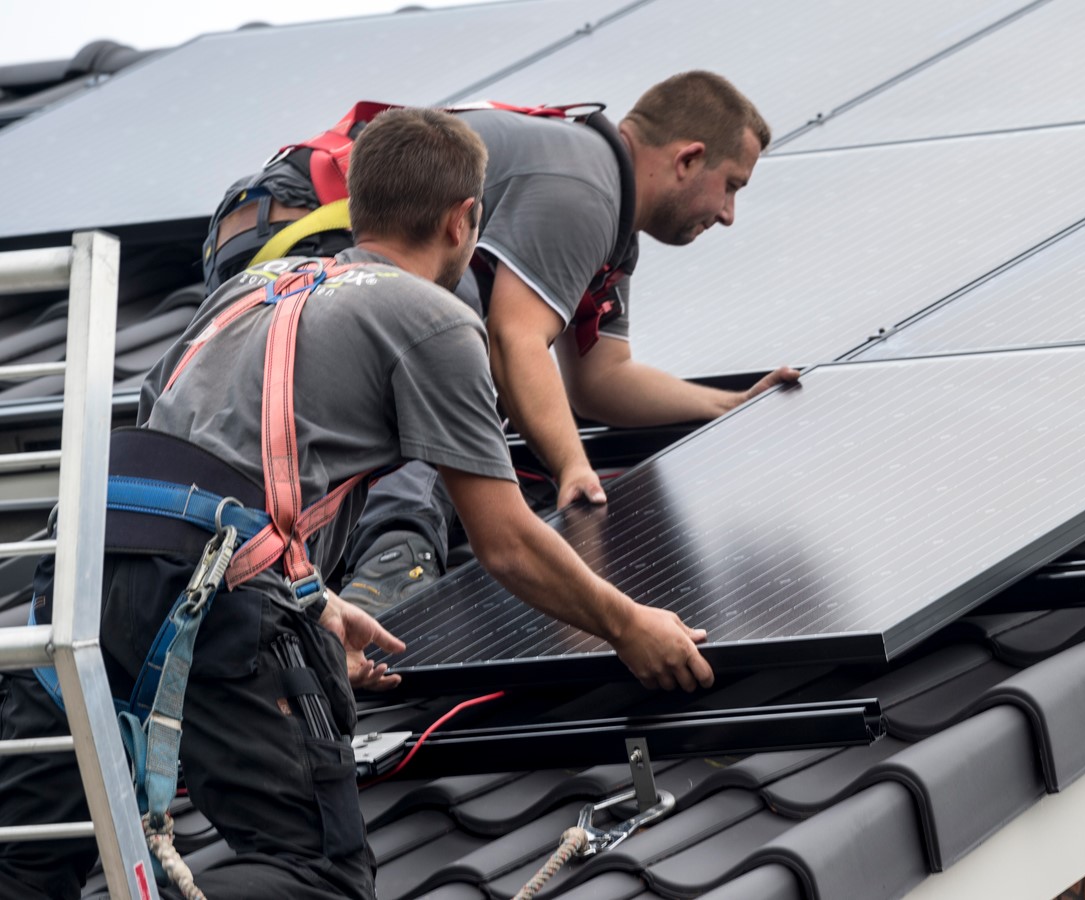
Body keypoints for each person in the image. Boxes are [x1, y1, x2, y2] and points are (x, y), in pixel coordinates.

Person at [0, 108, 711, 900]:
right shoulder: (436, 319)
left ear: (357, 208)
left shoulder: (243, 290)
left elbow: (189, 469)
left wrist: (317, 598)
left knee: (28, 866)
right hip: (204, 589)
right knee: (318, 878)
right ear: (464, 219)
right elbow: (505, 540)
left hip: (78, 575)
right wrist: (628, 624)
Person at [203, 71, 799, 613]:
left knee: (442, 321)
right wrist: (572, 470)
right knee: (445, 319)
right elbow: (516, 341)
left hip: (257, 240)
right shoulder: (587, 187)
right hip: (304, 225)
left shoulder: (608, 222)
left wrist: (730, 403)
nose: (727, 214)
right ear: (688, 159)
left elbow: (601, 380)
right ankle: (396, 550)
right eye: (731, 187)